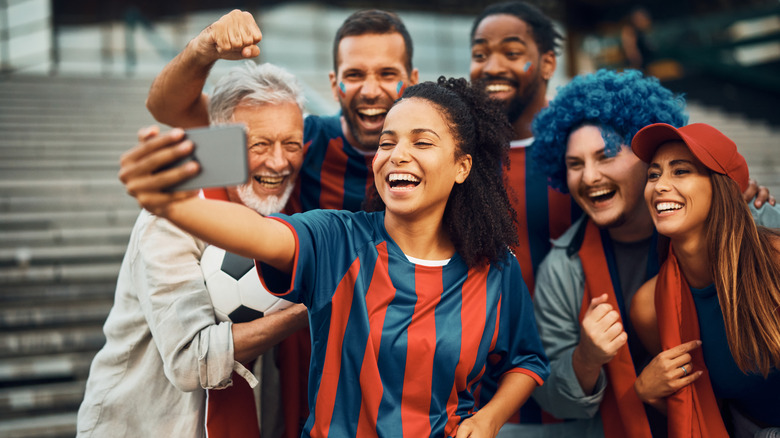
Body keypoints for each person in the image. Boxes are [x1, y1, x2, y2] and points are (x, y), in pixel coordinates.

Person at [120, 77, 549, 438]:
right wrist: (174, 205)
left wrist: (490, 419)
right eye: (387, 141)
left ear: (462, 166)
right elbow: (260, 233)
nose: (397, 154)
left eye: (422, 141)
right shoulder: (338, 239)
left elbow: (527, 361)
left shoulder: (494, 267)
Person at [528, 69, 780, 438]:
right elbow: (552, 397)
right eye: (575, 164)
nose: (589, 176)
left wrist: (733, 192)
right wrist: (588, 358)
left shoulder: (759, 227)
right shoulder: (568, 271)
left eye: (607, 155)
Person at [76, 62, 309, 438]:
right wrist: (309, 307)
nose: (279, 162)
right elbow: (192, 361)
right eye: (259, 144)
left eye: (291, 144)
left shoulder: (291, 219)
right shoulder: (168, 219)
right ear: (222, 144)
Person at [145, 8, 419, 213]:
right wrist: (202, 47)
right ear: (335, 85)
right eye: (355, 75)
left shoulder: (438, 151)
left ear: (413, 81)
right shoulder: (298, 139)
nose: (370, 91)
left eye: (387, 74)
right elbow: (168, 109)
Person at [629, 122, 780, 437]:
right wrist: (650, 393)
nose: (659, 186)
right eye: (653, 174)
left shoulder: (775, 260)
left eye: (680, 171)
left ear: (721, 187)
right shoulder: (648, 306)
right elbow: (701, 409)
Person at [469, 1, 575, 294]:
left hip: (568, 335)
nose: (492, 67)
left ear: (548, 63)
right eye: (480, 55)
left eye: (512, 53)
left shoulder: (580, 149)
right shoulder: (459, 152)